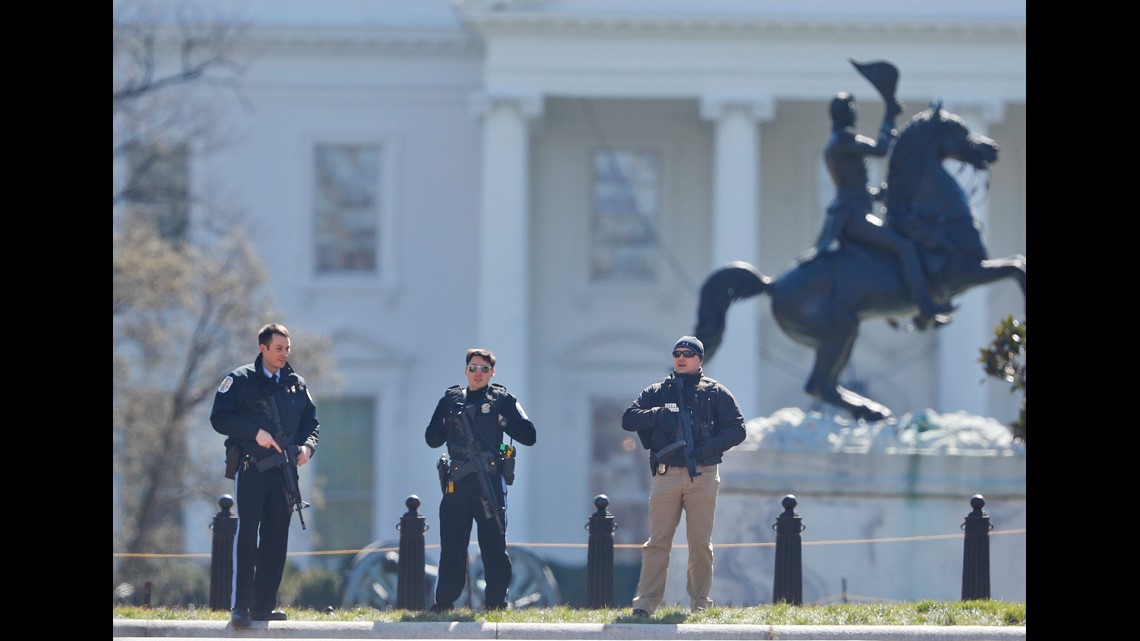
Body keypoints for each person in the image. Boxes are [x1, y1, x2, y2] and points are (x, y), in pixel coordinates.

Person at [621, 336, 746, 616]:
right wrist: (658, 414)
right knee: (657, 543)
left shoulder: (715, 393)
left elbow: (737, 429)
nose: (681, 357)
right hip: (666, 476)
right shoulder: (658, 391)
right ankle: (644, 605)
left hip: (702, 474)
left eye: (688, 353)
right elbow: (628, 418)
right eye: (677, 352)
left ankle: (700, 604)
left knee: (700, 544)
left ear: (700, 360)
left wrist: (706, 448)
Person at [210, 323, 319, 627]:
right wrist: (254, 433)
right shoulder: (241, 380)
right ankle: (241, 607)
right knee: (247, 538)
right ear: (263, 349)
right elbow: (219, 418)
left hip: (284, 473)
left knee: (276, 539)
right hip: (253, 469)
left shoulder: (295, 383)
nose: (285, 354)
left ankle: (263, 606)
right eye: (279, 348)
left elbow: (312, 423)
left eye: (287, 348)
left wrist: (308, 448)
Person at [814, 91, 955, 325]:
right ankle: (925, 306)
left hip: (854, 210)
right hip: (854, 217)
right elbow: (881, 148)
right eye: (851, 107)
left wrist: (876, 193)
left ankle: (895, 305)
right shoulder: (844, 139)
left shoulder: (837, 140)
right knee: (906, 247)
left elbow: (851, 187)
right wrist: (889, 115)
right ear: (845, 113)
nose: (855, 111)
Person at [425, 348, 537, 612]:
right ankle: (444, 603)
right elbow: (432, 439)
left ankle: (496, 603)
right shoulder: (451, 399)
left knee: (494, 545)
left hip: (489, 483)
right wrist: (447, 421)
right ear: (466, 370)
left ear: (492, 372)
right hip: (458, 483)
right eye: (473, 368)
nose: (478, 374)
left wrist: (504, 422)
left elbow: (529, 435)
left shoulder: (503, 399)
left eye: (484, 369)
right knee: (452, 545)